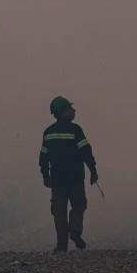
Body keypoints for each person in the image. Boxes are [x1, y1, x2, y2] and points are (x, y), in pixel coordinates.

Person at [38, 95, 99, 252]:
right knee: (79, 204)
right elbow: (86, 151)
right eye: (71, 108)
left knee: (59, 212)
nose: (74, 110)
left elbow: (43, 156)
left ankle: (61, 247)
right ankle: (75, 230)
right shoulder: (75, 130)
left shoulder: (48, 132)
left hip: (57, 179)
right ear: (63, 111)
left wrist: (45, 175)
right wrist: (93, 170)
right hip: (75, 177)